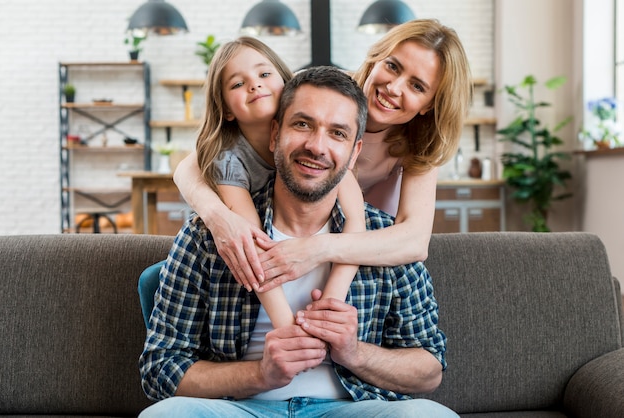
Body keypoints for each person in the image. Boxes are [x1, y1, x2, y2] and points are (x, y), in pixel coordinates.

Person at [139, 66, 457, 417]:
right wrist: (260, 374)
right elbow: (160, 369)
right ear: (275, 133)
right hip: (241, 409)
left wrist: (354, 352)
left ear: (354, 153)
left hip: (353, 409)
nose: (316, 146)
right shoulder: (212, 236)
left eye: (337, 133)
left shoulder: (383, 240)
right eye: (302, 124)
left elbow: (430, 369)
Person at [172, 19, 472, 292]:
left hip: (362, 254)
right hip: (285, 235)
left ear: (430, 105)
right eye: (392, 66)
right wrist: (218, 216)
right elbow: (194, 165)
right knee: (161, 277)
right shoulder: (322, 89)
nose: (393, 87)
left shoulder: (421, 142)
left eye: (417, 86)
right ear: (375, 57)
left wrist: (316, 249)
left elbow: (415, 241)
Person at [142, 36, 365, 328]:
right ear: (226, 109)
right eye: (237, 84)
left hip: (306, 244)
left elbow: (356, 223)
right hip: (251, 257)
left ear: (285, 82)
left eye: (264, 74)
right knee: (155, 279)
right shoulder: (229, 160)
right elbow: (251, 242)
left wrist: (332, 299)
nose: (254, 85)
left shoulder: (318, 149)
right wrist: (287, 327)